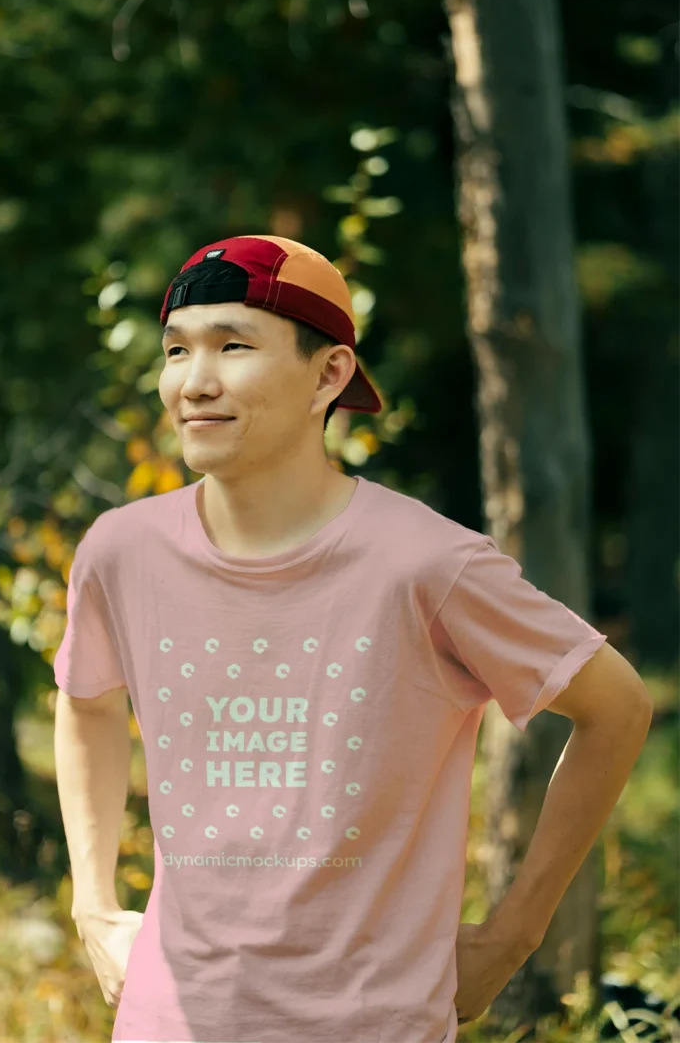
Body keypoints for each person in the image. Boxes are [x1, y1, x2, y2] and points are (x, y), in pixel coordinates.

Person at [53, 234, 653, 1043]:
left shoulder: (427, 564)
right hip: (169, 1021)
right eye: (176, 350)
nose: (195, 383)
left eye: (234, 346)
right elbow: (86, 701)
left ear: (329, 375)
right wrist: (92, 904)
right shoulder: (120, 552)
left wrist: (511, 936)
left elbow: (615, 707)